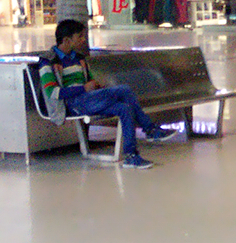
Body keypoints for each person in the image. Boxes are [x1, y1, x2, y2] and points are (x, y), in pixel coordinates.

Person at [38, 19, 178, 169]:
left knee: (125, 108)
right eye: (79, 36)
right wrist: (84, 88)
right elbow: (53, 92)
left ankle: (131, 155)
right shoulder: (48, 61)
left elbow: (89, 81)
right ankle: (150, 129)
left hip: (88, 99)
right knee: (124, 90)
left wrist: (95, 86)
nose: (83, 40)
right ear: (66, 40)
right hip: (72, 104)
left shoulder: (78, 58)